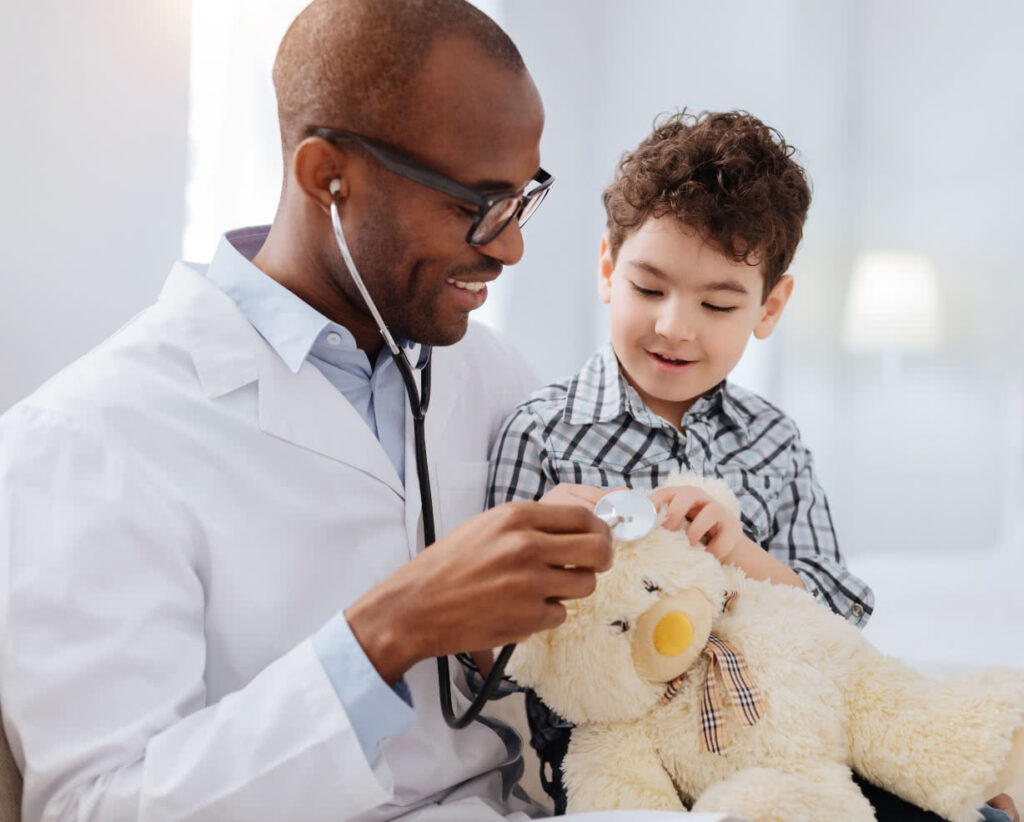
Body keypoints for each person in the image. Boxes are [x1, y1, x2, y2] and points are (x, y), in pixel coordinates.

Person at [0, 2, 656, 821]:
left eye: (523, 199)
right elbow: (97, 808)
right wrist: (388, 631)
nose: (510, 245)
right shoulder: (84, 440)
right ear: (326, 177)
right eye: (474, 205)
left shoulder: (489, 373)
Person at [484, 111, 1019, 822]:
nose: (676, 325)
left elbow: (833, 613)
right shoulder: (543, 432)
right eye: (650, 289)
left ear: (769, 307)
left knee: (948, 805)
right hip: (626, 756)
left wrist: (738, 552)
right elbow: (493, 657)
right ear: (608, 269)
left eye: (718, 303)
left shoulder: (771, 440)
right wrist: (553, 544)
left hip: (784, 736)